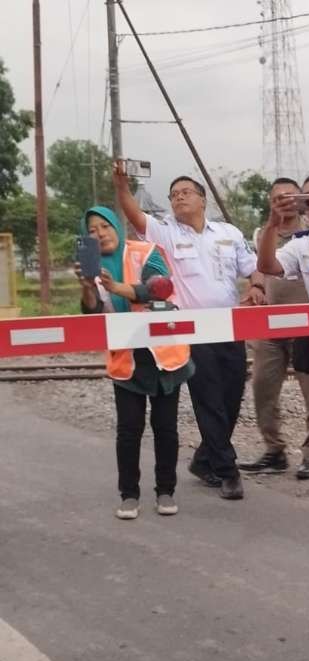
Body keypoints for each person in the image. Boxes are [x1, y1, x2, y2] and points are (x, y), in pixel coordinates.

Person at [113, 163, 265, 501]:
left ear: (202, 199)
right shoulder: (166, 232)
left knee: (230, 399)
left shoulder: (229, 233)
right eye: (174, 195)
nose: (179, 198)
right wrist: (123, 189)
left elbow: (253, 268)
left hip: (230, 326)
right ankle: (228, 472)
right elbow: (137, 217)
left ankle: (204, 459)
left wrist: (256, 287)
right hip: (192, 331)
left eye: (185, 193)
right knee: (209, 401)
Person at [76, 205, 194, 520]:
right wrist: (89, 288)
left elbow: (159, 290)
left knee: (165, 428)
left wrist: (116, 287)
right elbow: (91, 315)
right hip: (125, 360)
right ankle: (129, 495)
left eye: (104, 225)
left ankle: (165, 491)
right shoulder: (95, 268)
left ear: (116, 225)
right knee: (129, 430)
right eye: (91, 230)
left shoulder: (147, 251)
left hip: (164, 355)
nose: (99, 233)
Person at [241, 176, 309, 481]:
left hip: (307, 326)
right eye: (278, 197)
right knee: (262, 387)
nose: (285, 201)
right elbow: (261, 267)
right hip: (270, 323)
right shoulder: (264, 233)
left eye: (291, 196)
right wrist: (255, 287)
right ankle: (273, 449)